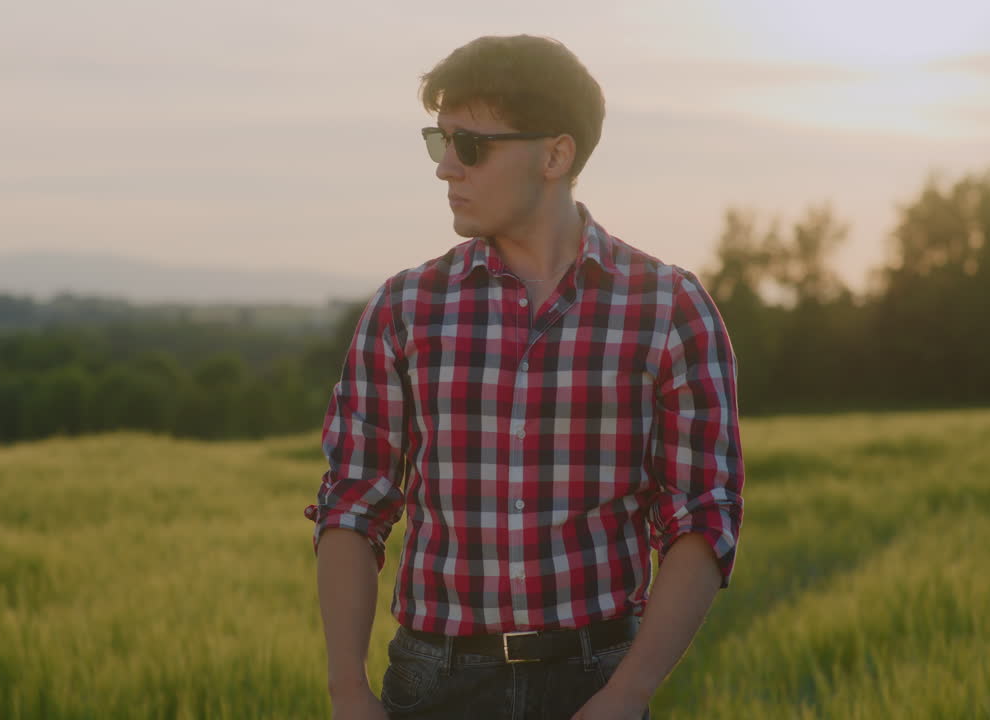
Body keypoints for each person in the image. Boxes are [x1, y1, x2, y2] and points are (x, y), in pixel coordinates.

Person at [306, 34, 745, 720]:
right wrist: (346, 692)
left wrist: (628, 694)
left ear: (556, 154)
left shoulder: (670, 309)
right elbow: (352, 506)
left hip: (596, 680)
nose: (446, 168)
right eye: (438, 141)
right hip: (434, 682)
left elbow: (701, 514)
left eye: (471, 146)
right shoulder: (403, 309)